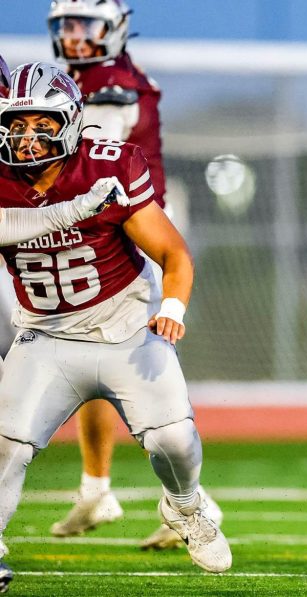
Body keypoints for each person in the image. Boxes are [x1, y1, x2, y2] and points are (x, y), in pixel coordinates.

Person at [0, 63, 231, 593]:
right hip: (45, 337)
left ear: (71, 124)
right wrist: (75, 211)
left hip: (126, 328)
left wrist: (173, 307)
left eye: (42, 125)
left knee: (174, 441)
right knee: (7, 445)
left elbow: (173, 252)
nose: (28, 138)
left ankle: (185, 507)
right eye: (17, 125)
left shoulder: (110, 165)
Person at [46, 0, 222, 550]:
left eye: (85, 24)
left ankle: (192, 502)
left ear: (116, 28)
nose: (73, 34)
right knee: (89, 361)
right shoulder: (90, 77)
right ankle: (96, 487)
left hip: (129, 239)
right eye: (65, 24)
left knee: (133, 374)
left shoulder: (111, 86)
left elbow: (80, 168)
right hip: (105, 236)